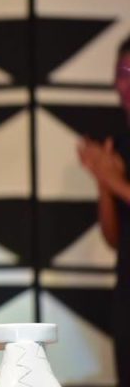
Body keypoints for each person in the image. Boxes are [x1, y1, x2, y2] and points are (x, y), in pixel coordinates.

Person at [77, 37, 130, 387]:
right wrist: (103, 182)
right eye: (122, 73)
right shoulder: (119, 144)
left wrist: (114, 180)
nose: (126, 83)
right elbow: (114, 239)